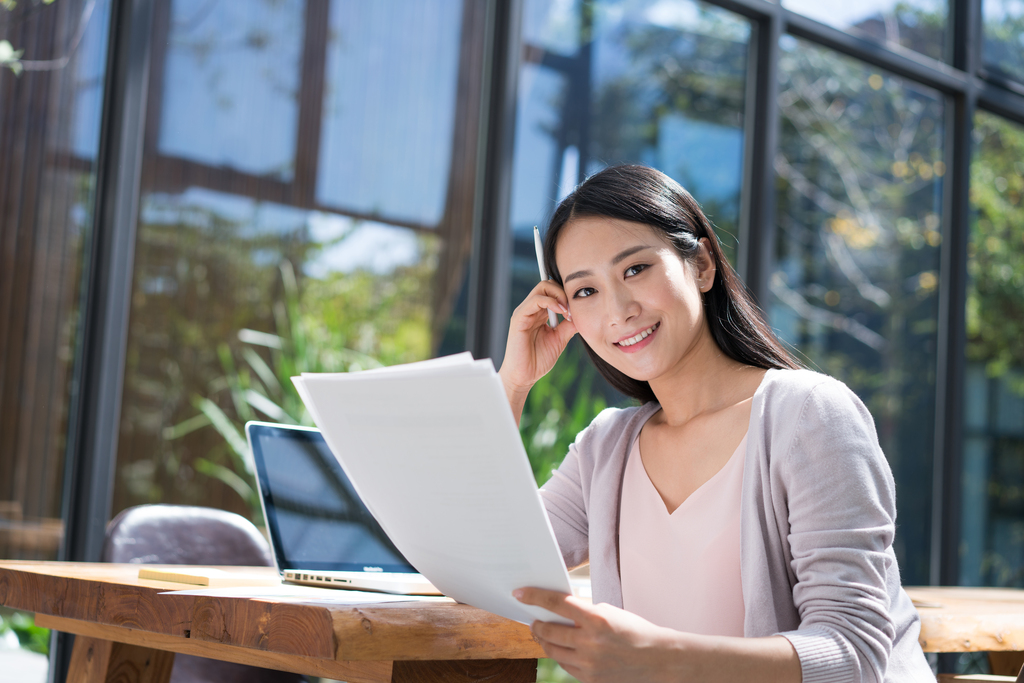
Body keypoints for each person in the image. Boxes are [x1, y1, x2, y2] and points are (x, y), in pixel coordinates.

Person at [498, 165, 934, 682]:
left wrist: (660, 659)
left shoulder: (809, 415)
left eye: (635, 269)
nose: (619, 310)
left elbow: (853, 653)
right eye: (585, 291)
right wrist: (514, 382)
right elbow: (492, 563)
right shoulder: (605, 450)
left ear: (701, 265)